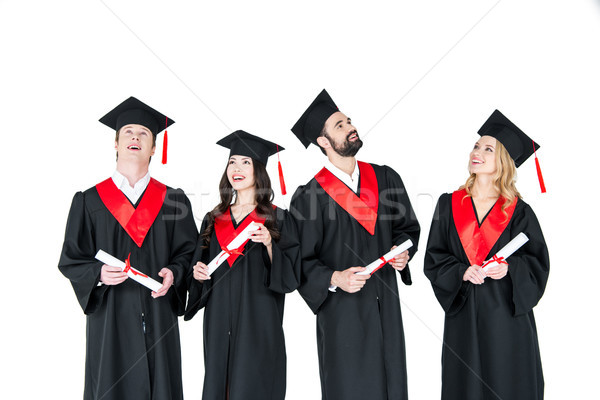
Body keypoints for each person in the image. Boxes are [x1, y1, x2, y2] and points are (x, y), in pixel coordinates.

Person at [58, 96, 198, 400]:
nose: (135, 137)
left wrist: (174, 273)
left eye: (144, 133)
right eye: (128, 132)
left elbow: (189, 253)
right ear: (116, 143)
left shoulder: (174, 201)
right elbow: (71, 259)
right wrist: (97, 273)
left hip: (158, 312)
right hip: (111, 315)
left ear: (154, 147)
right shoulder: (89, 201)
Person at [289, 89, 421, 400]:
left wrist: (405, 252)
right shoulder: (309, 197)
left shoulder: (386, 178)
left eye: (349, 121)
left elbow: (408, 229)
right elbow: (300, 260)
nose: (351, 127)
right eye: (339, 125)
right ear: (323, 142)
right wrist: (334, 278)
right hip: (342, 315)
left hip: (386, 307)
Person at [423, 109, 549, 400]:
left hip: (506, 318)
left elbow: (537, 262)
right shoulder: (448, 204)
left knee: (508, 384)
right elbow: (434, 257)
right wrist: (460, 272)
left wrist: (510, 269)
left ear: (502, 161)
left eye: (488, 149)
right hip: (464, 317)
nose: (476, 152)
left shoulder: (518, 211)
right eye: (477, 146)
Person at [184, 130, 301, 400]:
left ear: (259, 170)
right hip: (217, 319)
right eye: (232, 162)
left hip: (259, 320)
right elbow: (198, 268)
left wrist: (270, 244)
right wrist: (198, 274)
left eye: (245, 162)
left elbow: (292, 275)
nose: (236, 168)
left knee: (255, 382)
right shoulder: (213, 219)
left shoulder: (277, 218)